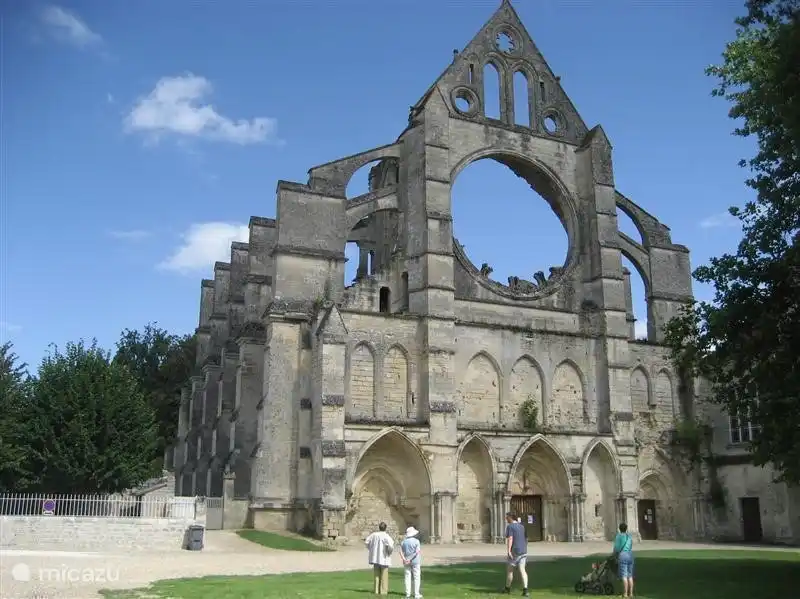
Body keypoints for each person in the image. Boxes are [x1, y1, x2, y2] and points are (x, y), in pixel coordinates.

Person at [504, 512, 529, 596]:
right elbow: (526, 538)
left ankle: (507, 589)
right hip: (523, 551)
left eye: (507, 517)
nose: (506, 519)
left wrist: (509, 551)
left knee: (510, 570)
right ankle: (525, 590)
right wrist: (524, 547)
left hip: (515, 551)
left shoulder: (510, 527)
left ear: (511, 518)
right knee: (522, 570)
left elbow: (510, 539)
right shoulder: (522, 526)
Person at [365, 522, 395, 595]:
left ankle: (376, 590)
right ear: (385, 528)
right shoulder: (386, 536)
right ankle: (383, 591)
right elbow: (391, 546)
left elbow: (366, 542)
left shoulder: (374, 535)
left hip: (375, 558)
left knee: (376, 575)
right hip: (384, 558)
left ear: (379, 527)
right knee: (384, 576)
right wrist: (389, 552)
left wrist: (371, 549)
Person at [612, 523, 635, 598]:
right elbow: (631, 545)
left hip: (623, 555)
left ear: (619, 529)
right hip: (630, 555)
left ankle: (625, 594)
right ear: (626, 529)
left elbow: (616, 548)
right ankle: (631, 593)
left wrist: (614, 555)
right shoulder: (629, 536)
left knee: (624, 575)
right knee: (630, 575)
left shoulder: (619, 536)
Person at [400, 525, 423, 599]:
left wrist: (404, 559)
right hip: (415, 561)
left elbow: (400, 551)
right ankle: (416, 594)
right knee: (416, 577)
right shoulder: (416, 541)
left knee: (407, 576)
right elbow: (417, 552)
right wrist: (411, 559)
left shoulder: (403, 542)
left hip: (406, 561)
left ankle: (408, 594)